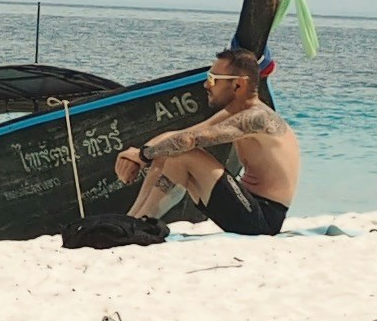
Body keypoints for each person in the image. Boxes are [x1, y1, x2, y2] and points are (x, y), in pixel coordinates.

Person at [109, 47, 305, 236]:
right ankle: (132, 220)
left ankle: (139, 225)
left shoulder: (256, 118)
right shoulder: (235, 112)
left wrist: (143, 155)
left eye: (212, 79)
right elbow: (180, 134)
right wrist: (138, 156)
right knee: (167, 150)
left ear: (238, 84)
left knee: (184, 153)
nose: (206, 85)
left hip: (263, 218)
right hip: (247, 205)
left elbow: (189, 140)